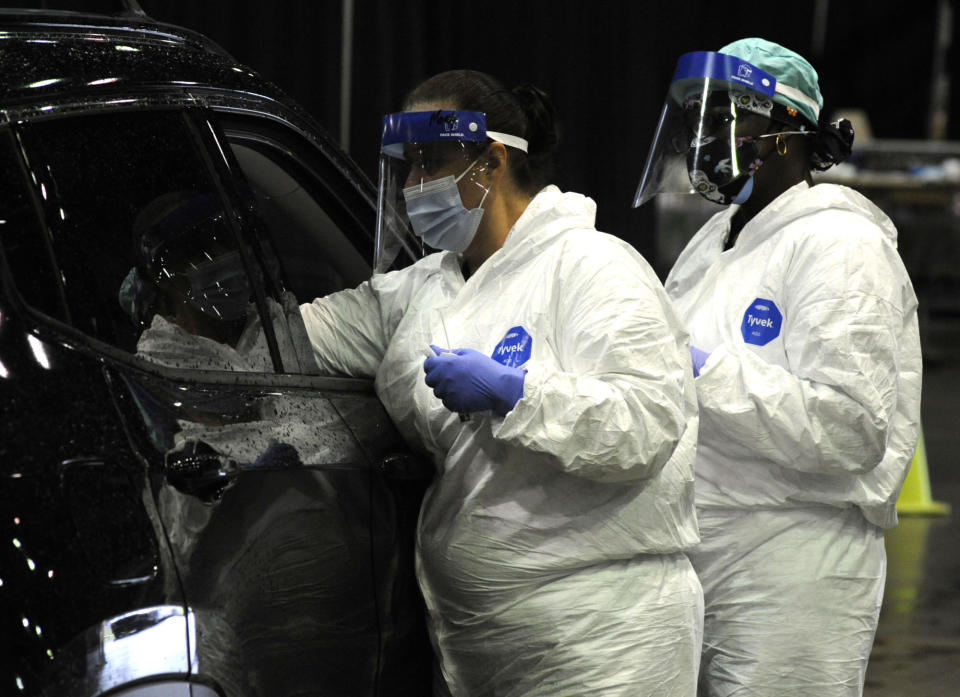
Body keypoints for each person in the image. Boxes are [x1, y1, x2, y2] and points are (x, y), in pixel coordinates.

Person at [301, 69, 703, 696]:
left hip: (603, 640)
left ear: (490, 163)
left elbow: (646, 425)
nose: (412, 187)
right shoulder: (419, 290)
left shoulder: (593, 266)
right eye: (406, 168)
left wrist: (520, 396)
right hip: (480, 648)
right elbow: (294, 341)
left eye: (430, 163)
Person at [633, 38, 922, 696]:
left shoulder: (841, 246)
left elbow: (849, 428)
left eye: (728, 120)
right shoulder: (716, 239)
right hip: (701, 542)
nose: (707, 139)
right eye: (701, 121)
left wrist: (701, 373)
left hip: (795, 559)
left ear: (790, 132)